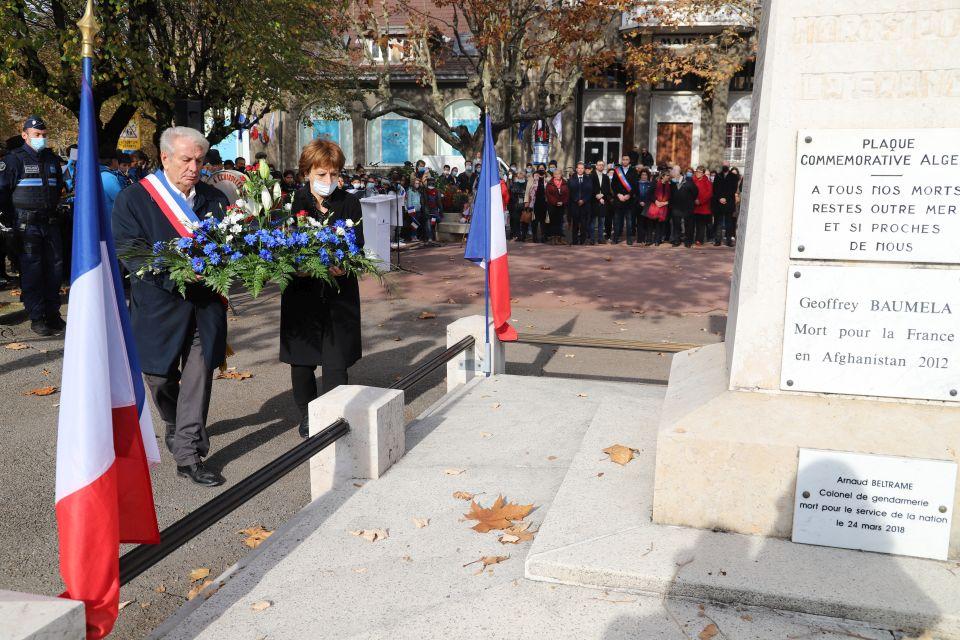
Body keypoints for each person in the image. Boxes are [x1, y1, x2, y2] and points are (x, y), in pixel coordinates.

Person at [112, 126, 229, 486]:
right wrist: (175, 276)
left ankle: (188, 453)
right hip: (158, 306)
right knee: (160, 379)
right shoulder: (134, 199)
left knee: (198, 378)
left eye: (199, 160)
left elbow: (232, 245)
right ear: (164, 158)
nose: (194, 167)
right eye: (186, 160)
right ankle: (178, 425)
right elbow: (131, 252)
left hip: (206, 306)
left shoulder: (214, 199)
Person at [281, 138, 364, 438]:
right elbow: (280, 248)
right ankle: (307, 414)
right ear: (306, 172)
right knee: (302, 360)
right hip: (301, 293)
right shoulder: (292, 202)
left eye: (334, 174)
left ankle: (331, 412)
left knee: (335, 359)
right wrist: (295, 266)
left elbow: (358, 246)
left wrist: (345, 264)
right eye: (321, 174)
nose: (329, 180)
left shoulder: (349, 202)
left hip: (338, 292)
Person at [0, 116, 66, 336]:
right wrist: (9, 223)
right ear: (25, 135)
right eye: (37, 135)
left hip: (50, 223)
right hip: (26, 226)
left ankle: (53, 314)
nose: (42, 139)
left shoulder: (52, 159)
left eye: (44, 135)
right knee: (32, 271)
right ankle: (37, 317)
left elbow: (59, 190)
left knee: (55, 270)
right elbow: (2, 193)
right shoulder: (13, 160)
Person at [610, 154, 638, 245]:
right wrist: (618, 194)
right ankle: (615, 238)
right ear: (622, 161)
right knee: (617, 220)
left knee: (629, 221)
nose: (625, 161)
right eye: (623, 159)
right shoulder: (617, 171)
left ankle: (629, 238)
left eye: (627, 159)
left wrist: (629, 195)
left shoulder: (633, 171)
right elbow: (613, 185)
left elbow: (635, 185)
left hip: (629, 201)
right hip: (619, 199)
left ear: (629, 161)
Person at [670, 168, 698, 248]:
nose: (672, 173)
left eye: (673, 171)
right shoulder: (672, 182)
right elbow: (671, 194)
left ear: (678, 172)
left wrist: (689, 200)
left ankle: (688, 241)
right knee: (676, 225)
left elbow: (695, 192)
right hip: (676, 207)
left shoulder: (688, 181)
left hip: (688, 207)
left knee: (688, 225)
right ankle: (677, 240)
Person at [567, 162, 593, 246]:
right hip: (575, 205)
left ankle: (582, 240)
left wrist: (584, 200)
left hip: (585, 205)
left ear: (584, 169)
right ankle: (574, 240)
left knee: (584, 224)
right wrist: (577, 199)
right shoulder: (571, 180)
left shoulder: (588, 179)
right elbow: (570, 192)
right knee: (575, 224)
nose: (581, 170)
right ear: (576, 169)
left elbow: (590, 192)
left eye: (582, 168)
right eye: (579, 168)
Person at [712, 164, 738, 247]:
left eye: (726, 165)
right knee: (718, 223)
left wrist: (725, 198)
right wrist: (720, 198)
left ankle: (729, 240)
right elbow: (715, 188)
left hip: (729, 202)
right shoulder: (718, 175)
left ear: (729, 166)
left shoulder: (733, 176)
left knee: (729, 223)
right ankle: (717, 240)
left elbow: (733, 189)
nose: (724, 166)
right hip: (719, 203)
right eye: (723, 165)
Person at [545, 167, 569, 244]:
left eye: (559, 173)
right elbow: (549, 195)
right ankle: (553, 239)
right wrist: (556, 202)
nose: (558, 175)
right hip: (552, 206)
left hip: (562, 206)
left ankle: (559, 239)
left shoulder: (565, 183)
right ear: (554, 175)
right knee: (553, 222)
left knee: (560, 222)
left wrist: (562, 202)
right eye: (556, 174)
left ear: (561, 174)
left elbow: (567, 194)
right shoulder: (550, 183)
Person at [525, 165, 548, 243]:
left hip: (544, 202)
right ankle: (534, 237)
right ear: (537, 169)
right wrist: (526, 201)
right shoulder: (532, 177)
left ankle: (543, 237)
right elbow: (527, 190)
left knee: (543, 221)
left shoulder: (548, 177)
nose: (541, 170)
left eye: (543, 168)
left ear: (545, 169)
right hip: (534, 202)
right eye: (540, 168)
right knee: (534, 220)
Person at [590, 160, 611, 245]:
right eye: (599, 165)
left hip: (603, 201)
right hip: (593, 201)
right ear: (596, 166)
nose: (601, 166)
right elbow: (590, 188)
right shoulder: (591, 176)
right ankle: (592, 239)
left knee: (601, 222)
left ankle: (600, 238)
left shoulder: (606, 177)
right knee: (592, 222)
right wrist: (596, 195)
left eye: (602, 165)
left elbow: (607, 189)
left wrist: (602, 196)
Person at [691, 165, 713, 246]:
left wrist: (700, 201)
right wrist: (693, 200)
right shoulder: (692, 180)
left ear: (703, 173)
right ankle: (691, 238)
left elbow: (709, 194)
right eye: (697, 171)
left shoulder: (707, 182)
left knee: (701, 225)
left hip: (703, 207)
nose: (698, 173)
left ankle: (699, 240)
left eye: (700, 172)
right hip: (693, 206)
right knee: (692, 224)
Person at [99, 149, 124, 216]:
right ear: (114, 161)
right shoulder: (108, 177)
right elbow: (120, 200)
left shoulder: (96, 173)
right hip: (109, 217)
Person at [635, 168, 655, 245]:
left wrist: (646, 202)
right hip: (639, 206)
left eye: (645, 175)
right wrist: (640, 202)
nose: (644, 176)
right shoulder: (637, 183)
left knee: (649, 223)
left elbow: (652, 195)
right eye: (642, 174)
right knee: (640, 223)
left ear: (648, 176)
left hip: (648, 206)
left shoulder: (651, 184)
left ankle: (649, 239)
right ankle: (640, 239)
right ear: (640, 175)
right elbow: (635, 194)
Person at [508, 170, 527, 241]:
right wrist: (521, 192)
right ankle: (517, 235)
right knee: (516, 221)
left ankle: (523, 235)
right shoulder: (514, 183)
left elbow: (528, 192)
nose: (521, 175)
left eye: (522, 174)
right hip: (516, 205)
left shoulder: (526, 183)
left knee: (524, 221)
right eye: (519, 174)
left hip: (525, 204)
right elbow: (513, 191)